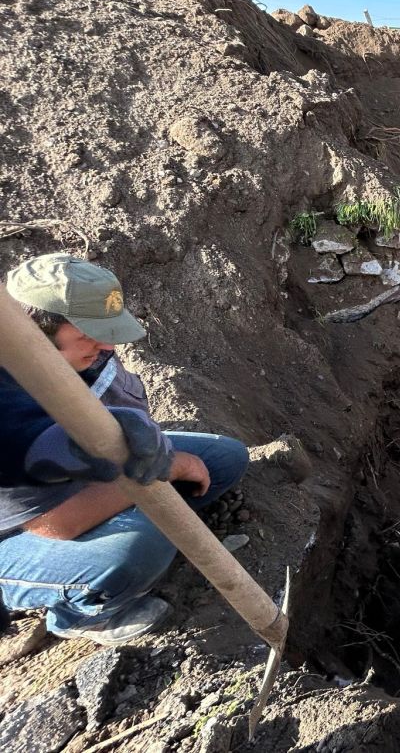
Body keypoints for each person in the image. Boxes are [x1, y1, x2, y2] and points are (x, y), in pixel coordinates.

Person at [0, 253, 249, 646]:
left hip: (80, 483)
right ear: (35, 331)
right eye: (87, 334)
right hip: (20, 533)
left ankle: (150, 533)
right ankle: (79, 615)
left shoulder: (90, 359)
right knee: (137, 551)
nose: (107, 346)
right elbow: (55, 524)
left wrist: (156, 459)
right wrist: (169, 470)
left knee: (225, 458)